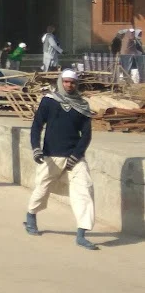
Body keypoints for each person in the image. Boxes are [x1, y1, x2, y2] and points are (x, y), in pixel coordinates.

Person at [26, 70, 98, 250]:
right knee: (42, 187)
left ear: (76, 84)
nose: (69, 85)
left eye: (72, 83)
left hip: (75, 157)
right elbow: (37, 126)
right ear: (60, 82)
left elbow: (86, 135)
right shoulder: (49, 101)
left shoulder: (82, 105)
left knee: (85, 190)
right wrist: (36, 148)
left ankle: (81, 234)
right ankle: (31, 216)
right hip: (51, 155)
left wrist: (76, 155)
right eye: (66, 82)